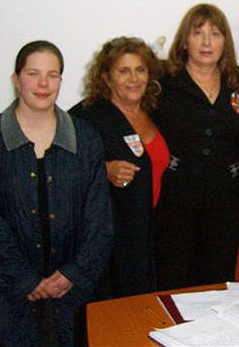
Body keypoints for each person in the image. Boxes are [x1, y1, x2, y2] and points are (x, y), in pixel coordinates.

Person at [0, 41, 113, 346]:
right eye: (33, 73)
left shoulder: (86, 139)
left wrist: (73, 273)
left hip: (72, 298)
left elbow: (99, 221)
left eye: (53, 75)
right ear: (16, 79)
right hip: (5, 300)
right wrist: (26, 280)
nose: (43, 84)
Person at [152, 3, 239, 290]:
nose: (207, 42)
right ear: (184, 41)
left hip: (225, 206)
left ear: (225, 42)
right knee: (174, 283)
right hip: (175, 204)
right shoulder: (162, 82)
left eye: (215, 34)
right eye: (198, 33)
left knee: (217, 286)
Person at [69, 37, 169, 298]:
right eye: (123, 71)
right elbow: (62, 170)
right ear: (106, 78)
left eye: (140, 69)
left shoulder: (155, 113)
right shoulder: (87, 117)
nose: (133, 78)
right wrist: (104, 170)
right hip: (111, 242)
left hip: (152, 234)